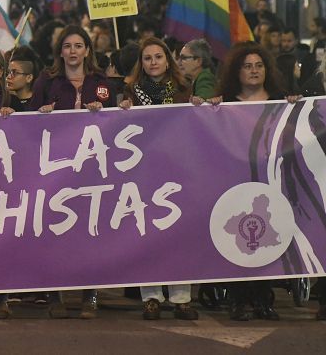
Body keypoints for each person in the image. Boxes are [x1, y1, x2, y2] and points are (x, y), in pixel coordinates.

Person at [206, 42, 297, 321]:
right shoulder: (226, 103)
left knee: (268, 240)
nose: (254, 71)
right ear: (237, 71)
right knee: (238, 243)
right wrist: (209, 110)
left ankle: (263, 299)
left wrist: (296, 106)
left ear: (266, 69)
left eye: (259, 65)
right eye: (248, 66)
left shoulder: (283, 100)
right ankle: (239, 300)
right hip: (235, 183)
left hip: (272, 183)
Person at [29, 25, 115, 319]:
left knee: (89, 232)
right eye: (67, 46)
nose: (73, 51)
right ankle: (55, 294)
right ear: (60, 51)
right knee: (55, 230)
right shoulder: (47, 80)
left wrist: (104, 110)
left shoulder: (101, 81)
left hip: (92, 171)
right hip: (55, 169)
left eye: (79, 45)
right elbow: (28, 118)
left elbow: (119, 121)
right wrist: (42, 112)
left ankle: (89, 295)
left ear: (87, 50)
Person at [117, 38, 199, 320]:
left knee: (178, 234)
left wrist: (199, 106)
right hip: (143, 169)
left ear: (168, 60)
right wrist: (122, 111)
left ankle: (181, 299)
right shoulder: (130, 91)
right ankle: (151, 297)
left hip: (177, 168)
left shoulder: (183, 89)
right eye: (147, 58)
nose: (153, 62)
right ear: (141, 63)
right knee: (146, 234)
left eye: (158, 57)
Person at [5, 47, 39, 112]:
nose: (8, 77)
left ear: (29, 78)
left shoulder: (40, 102)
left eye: (14, 73)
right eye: (8, 72)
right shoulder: (4, 102)